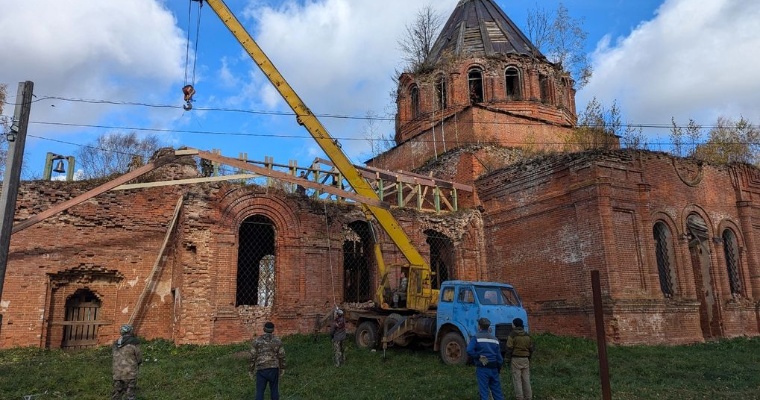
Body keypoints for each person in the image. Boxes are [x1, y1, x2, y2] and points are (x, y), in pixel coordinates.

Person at [466, 318, 504, 400]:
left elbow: (469, 350)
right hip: (494, 367)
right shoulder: (495, 339)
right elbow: (500, 358)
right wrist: (498, 368)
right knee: (497, 392)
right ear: (488, 327)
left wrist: (478, 356)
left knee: (484, 392)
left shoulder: (476, 337)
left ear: (479, 327)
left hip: (482, 368)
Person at [250, 321, 286, 400]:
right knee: (274, 390)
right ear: (273, 330)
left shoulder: (257, 341)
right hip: (274, 369)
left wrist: (251, 370)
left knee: (260, 391)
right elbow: (282, 356)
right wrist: (282, 368)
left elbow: (252, 356)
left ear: (264, 329)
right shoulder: (277, 341)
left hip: (261, 369)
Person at [111, 324, 143, 400]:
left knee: (117, 393)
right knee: (130, 394)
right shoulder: (134, 342)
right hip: (130, 373)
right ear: (131, 331)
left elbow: (114, 356)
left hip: (117, 373)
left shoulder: (116, 343)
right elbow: (139, 358)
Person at [506, 318, 534, 400]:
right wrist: (529, 358)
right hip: (525, 359)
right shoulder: (527, 335)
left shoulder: (512, 335)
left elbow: (509, 348)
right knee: (526, 379)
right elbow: (531, 348)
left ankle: (519, 397)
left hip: (516, 359)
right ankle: (528, 397)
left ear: (514, 325)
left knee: (517, 379)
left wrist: (507, 359)